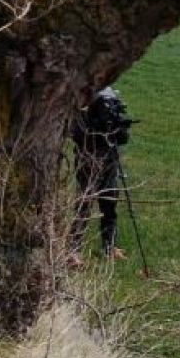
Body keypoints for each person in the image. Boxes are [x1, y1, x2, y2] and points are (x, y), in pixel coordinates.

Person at [68, 86, 133, 259]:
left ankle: (109, 247)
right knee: (84, 205)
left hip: (110, 161)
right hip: (88, 160)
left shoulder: (112, 104)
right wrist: (95, 128)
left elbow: (123, 138)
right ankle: (73, 251)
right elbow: (76, 134)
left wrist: (118, 128)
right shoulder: (83, 105)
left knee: (109, 205)